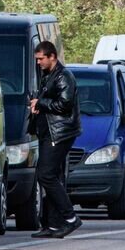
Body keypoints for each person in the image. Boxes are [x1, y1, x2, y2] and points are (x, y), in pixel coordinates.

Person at [29, 41, 82, 239]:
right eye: (37, 59)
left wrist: (41, 103)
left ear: (52, 57)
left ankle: (70, 218)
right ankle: (52, 224)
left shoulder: (64, 76)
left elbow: (65, 104)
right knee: (52, 177)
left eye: (41, 59)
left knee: (46, 175)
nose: (39, 63)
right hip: (47, 133)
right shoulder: (48, 76)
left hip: (59, 133)